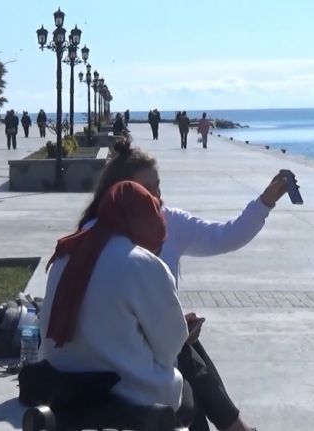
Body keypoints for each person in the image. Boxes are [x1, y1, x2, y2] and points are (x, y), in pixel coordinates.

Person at [78, 142, 288, 431]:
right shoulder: (103, 238)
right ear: (122, 191)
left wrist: (264, 202)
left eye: (158, 185)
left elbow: (225, 236)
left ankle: (233, 425)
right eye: (147, 188)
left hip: (155, 347)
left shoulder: (168, 221)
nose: (156, 196)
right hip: (117, 355)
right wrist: (174, 332)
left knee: (187, 353)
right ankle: (236, 426)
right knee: (184, 358)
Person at [39, 180, 193, 426]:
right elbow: (169, 350)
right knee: (188, 393)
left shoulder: (66, 253)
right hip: (126, 397)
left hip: (60, 386)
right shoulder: (143, 264)